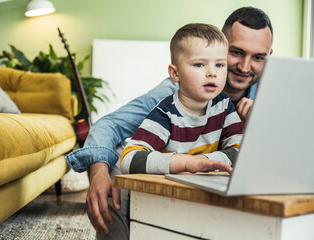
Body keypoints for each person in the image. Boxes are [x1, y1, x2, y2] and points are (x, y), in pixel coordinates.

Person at [65, 6, 273, 240]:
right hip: (158, 174)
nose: (245, 67)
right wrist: (99, 173)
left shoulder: (271, 96)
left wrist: (256, 133)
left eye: (258, 57)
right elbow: (109, 126)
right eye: (236, 52)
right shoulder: (171, 97)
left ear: (269, 57)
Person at [120, 23, 243, 176]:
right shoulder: (165, 113)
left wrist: (205, 161)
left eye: (219, 64)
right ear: (175, 74)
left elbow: (242, 152)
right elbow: (128, 159)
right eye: (199, 64)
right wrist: (187, 163)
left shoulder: (223, 105)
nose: (212, 73)